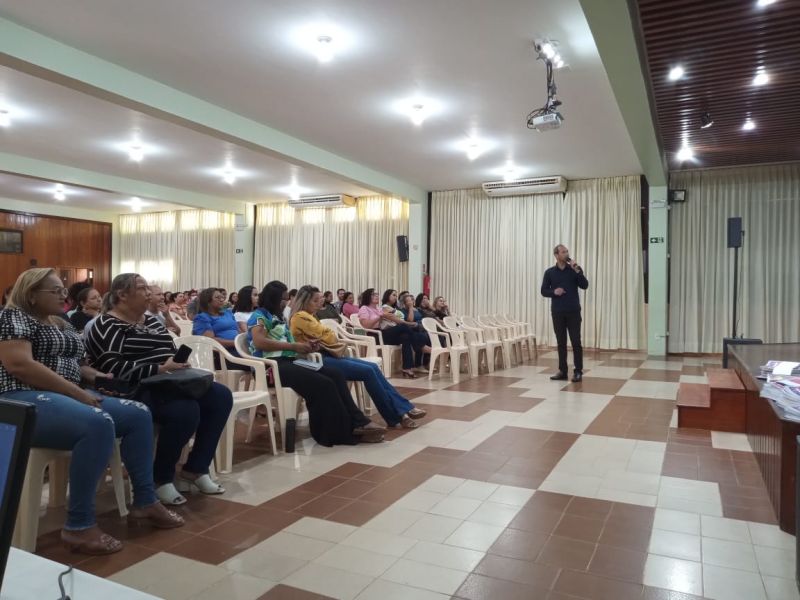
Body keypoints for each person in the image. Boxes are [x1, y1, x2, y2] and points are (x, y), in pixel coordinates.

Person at [0, 268, 184, 555]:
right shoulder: (13, 317)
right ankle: (79, 525)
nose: (64, 296)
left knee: (138, 414)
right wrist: (77, 393)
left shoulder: (59, 322)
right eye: (56, 291)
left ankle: (145, 501)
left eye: (63, 290)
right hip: (21, 398)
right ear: (31, 294)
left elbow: (77, 365)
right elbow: (19, 364)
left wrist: (101, 379)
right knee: (96, 423)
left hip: (67, 394)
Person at [85, 273, 233, 506]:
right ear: (122, 295)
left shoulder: (153, 321)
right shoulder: (106, 324)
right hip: (133, 388)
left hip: (168, 382)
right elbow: (111, 367)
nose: (149, 293)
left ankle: (196, 468)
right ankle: (161, 477)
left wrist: (178, 364)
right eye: (142, 288)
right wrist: (159, 368)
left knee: (221, 396)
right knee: (185, 410)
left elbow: (169, 351)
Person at [247, 281, 385, 446]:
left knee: (335, 374)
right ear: (274, 298)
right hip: (271, 367)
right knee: (323, 383)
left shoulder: (278, 316)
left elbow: (288, 343)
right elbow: (260, 342)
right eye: (284, 298)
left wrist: (306, 346)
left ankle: (356, 421)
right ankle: (334, 432)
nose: (287, 302)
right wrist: (294, 346)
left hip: (289, 361)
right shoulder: (259, 316)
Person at [290, 286, 426, 428]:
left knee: (372, 367)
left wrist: (327, 334)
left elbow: (328, 336)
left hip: (329, 354)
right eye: (315, 300)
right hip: (318, 359)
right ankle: (398, 414)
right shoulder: (300, 317)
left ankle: (401, 411)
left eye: (320, 299)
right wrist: (328, 334)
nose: (320, 302)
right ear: (305, 301)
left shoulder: (311, 316)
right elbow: (331, 338)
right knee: (368, 371)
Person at [540, 244, 589, 383]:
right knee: (561, 342)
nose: (566, 254)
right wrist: (554, 292)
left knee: (576, 342)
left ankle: (578, 371)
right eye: (563, 252)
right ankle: (563, 371)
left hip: (573, 312)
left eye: (567, 251)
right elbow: (543, 291)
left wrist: (577, 270)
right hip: (558, 312)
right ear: (556, 255)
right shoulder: (549, 272)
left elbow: (585, 285)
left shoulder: (574, 269)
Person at [358, 288, 425, 378]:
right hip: (374, 336)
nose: (377, 296)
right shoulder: (364, 308)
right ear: (367, 296)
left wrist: (407, 323)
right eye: (373, 294)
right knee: (404, 327)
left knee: (405, 336)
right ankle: (419, 346)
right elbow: (366, 325)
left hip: (384, 333)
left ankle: (407, 368)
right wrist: (380, 316)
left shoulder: (379, 309)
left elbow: (394, 320)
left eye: (377, 294)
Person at [192, 288, 240, 354]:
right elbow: (210, 341)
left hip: (239, 348)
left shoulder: (228, 313)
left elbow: (238, 331)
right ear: (208, 301)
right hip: (222, 353)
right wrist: (235, 343)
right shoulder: (202, 318)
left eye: (222, 297)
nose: (222, 300)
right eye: (217, 298)